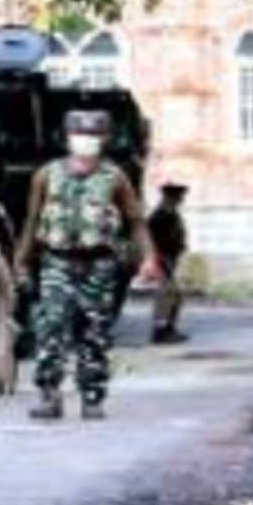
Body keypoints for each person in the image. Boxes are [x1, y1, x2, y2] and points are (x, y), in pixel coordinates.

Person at [15, 110, 160, 421]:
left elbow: (135, 221)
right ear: (67, 137)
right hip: (56, 262)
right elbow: (32, 220)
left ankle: (92, 398)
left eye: (93, 135)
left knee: (94, 332)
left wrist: (149, 258)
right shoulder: (46, 175)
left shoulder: (115, 177)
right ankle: (49, 396)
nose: (86, 140)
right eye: (80, 134)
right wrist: (21, 261)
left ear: (104, 139)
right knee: (50, 328)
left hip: (99, 265)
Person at [148, 182, 191, 344]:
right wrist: (158, 258)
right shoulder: (160, 215)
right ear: (170, 197)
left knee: (175, 295)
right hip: (163, 258)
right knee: (167, 294)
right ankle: (160, 332)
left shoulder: (171, 213)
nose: (182, 199)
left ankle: (169, 329)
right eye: (179, 196)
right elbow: (151, 240)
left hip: (170, 257)